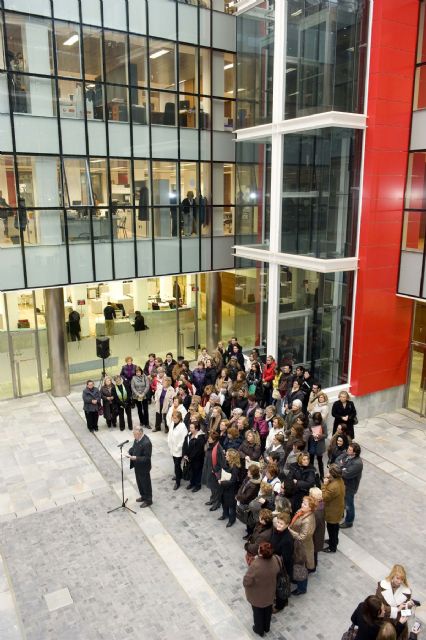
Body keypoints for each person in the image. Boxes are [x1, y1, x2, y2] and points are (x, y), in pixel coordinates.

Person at [243, 541, 281, 637]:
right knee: (268, 611)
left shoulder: (255, 565)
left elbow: (247, 581)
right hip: (270, 593)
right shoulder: (276, 559)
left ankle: (259, 630)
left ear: (260, 552)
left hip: (257, 596)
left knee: (258, 613)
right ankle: (266, 627)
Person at [288, 495, 316, 596]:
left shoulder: (308, 520)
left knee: (301, 567)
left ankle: (302, 588)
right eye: (302, 502)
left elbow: (302, 537)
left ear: (310, 508)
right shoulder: (302, 511)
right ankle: (297, 580)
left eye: (305, 504)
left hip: (302, 547)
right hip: (297, 544)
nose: (302, 505)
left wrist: (289, 530)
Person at [376, 565, 414, 638]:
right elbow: (378, 606)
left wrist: (409, 606)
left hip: (398, 622)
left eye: (402, 579)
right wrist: (396, 609)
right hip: (383, 621)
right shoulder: (382, 585)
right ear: (392, 575)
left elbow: (405, 612)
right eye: (397, 578)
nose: (399, 581)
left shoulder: (407, 591)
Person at [336, 442, 363, 528]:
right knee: (342, 501)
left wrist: (340, 466)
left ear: (355, 452)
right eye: (348, 448)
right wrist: (342, 467)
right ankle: (341, 515)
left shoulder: (357, 463)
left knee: (349, 505)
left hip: (350, 487)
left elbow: (346, 474)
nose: (347, 450)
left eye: (350, 450)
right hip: (343, 484)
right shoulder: (346, 454)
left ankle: (349, 521)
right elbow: (337, 459)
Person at [271, 512, 294, 612]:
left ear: (287, 525)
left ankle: (280, 605)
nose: (278, 525)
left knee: (281, 586)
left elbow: (286, 558)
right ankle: (284, 600)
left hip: (282, 567)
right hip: (276, 561)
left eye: (281, 524)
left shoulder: (287, 539)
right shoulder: (276, 531)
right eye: (278, 522)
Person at [321, 463, 345, 553]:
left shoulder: (333, 487)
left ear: (333, 474)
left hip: (332, 512)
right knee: (335, 528)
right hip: (338, 508)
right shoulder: (339, 480)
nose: (328, 473)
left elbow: (324, 496)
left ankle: (332, 547)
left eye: (329, 472)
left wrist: (324, 485)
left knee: (332, 529)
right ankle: (333, 541)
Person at [127, 426, 152, 508]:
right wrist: (129, 452)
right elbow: (134, 447)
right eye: (133, 434)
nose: (134, 436)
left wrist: (135, 458)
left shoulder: (146, 442)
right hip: (137, 466)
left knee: (145, 483)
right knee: (140, 483)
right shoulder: (137, 439)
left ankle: (148, 500)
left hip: (144, 467)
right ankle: (143, 496)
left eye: (135, 434)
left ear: (140, 433)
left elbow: (147, 458)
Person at [218, 448, 241, 527]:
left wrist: (222, 482)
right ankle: (225, 514)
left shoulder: (235, 468)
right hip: (225, 488)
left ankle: (232, 520)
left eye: (227, 455)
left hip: (231, 490)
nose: (225, 456)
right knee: (224, 503)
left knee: (231, 506)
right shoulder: (227, 463)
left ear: (231, 457)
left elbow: (233, 481)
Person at [202, 431, 225, 511]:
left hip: (215, 472)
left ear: (215, 440)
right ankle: (212, 499)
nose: (208, 439)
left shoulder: (218, 449)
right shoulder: (211, 445)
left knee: (216, 488)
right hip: (209, 469)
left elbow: (222, 463)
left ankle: (217, 503)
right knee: (212, 487)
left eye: (210, 438)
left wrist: (214, 470)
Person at [182, 422, 206, 492]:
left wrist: (189, 457)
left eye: (192, 428)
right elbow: (185, 445)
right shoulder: (189, 435)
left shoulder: (200, 438)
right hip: (189, 458)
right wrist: (185, 454)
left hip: (197, 459)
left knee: (197, 472)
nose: (190, 429)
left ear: (197, 429)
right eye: (190, 427)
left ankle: (197, 485)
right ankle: (192, 483)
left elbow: (198, 451)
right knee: (192, 471)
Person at [167, 411, 188, 490]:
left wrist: (178, 447)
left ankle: (178, 482)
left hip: (178, 450)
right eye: (173, 417)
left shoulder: (183, 427)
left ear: (179, 418)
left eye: (175, 418)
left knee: (176, 465)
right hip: (172, 448)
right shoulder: (172, 424)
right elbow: (170, 433)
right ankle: (180, 474)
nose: (173, 419)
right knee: (176, 464)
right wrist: (169, 442)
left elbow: (184, 439)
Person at [308, 411, 328, 481]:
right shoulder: (310, 422)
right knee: (311, 460)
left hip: (319, 444)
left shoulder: (323, 423)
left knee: (320, 460)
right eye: (315, 420)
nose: (316, 421)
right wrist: (311, 434)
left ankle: (322, 475)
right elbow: (308, 430)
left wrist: (320, 436)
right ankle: (311, 474)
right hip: (312, 443)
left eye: (317, 420)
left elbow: (326, 435)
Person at [309, 486, 325, 570]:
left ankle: (313, 567)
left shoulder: (316, 512)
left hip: (315, 536)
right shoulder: (321, 504)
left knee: (313, 552)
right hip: (318, 533)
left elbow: (312, 526)